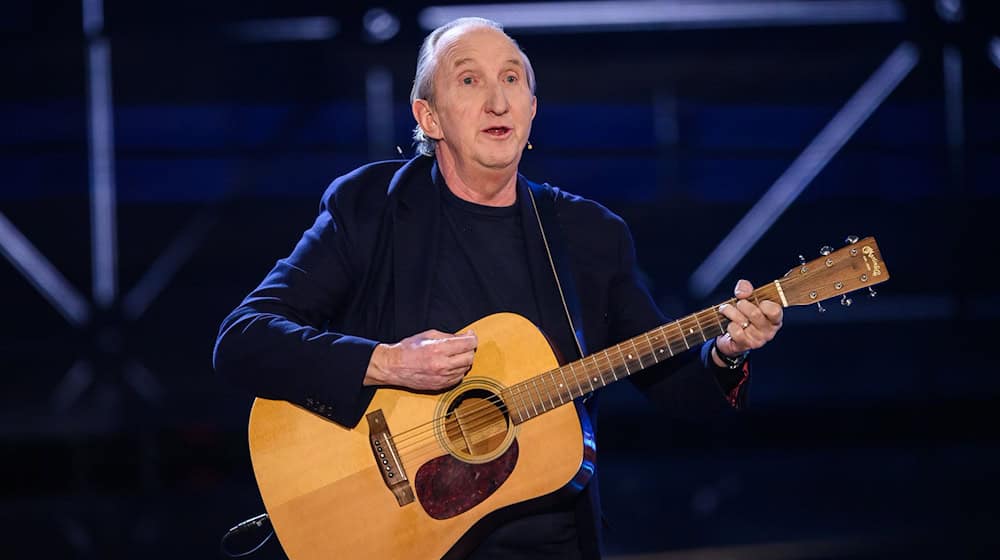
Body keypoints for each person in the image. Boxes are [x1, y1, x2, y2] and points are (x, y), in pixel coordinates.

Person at [213, 16, 783, 560]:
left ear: (532, 110)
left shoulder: (589, 235)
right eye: (469, 79)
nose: (497, 99)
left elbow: (677, 388)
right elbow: (242, 340)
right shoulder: (369, 209)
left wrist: (728, 352)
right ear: (428, 116)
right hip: (403, 542)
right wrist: (386, 363)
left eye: (512, 78)